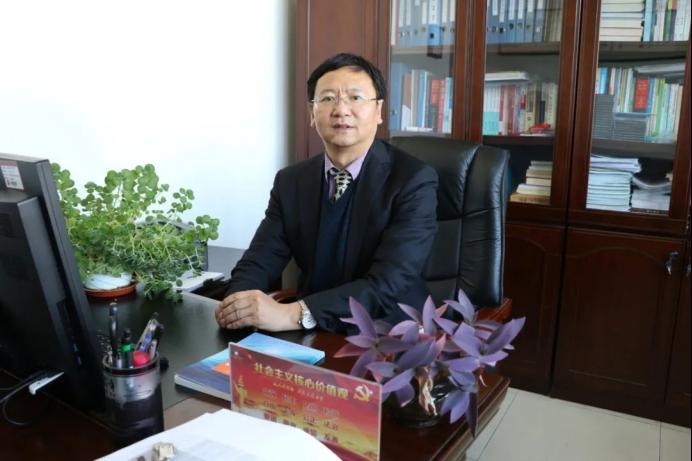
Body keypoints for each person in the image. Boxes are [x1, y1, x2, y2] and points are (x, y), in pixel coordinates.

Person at [215, 53, 438, 333]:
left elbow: (387, 284)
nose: (341, 110)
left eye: (355, 97)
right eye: (328, 98)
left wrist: (294, 313)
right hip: (314, 332)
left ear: (379, 110)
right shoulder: (291, 181)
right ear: (312, 113)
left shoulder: (413, 180)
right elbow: (259, 260)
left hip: (387, 335)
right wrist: (238, 305)